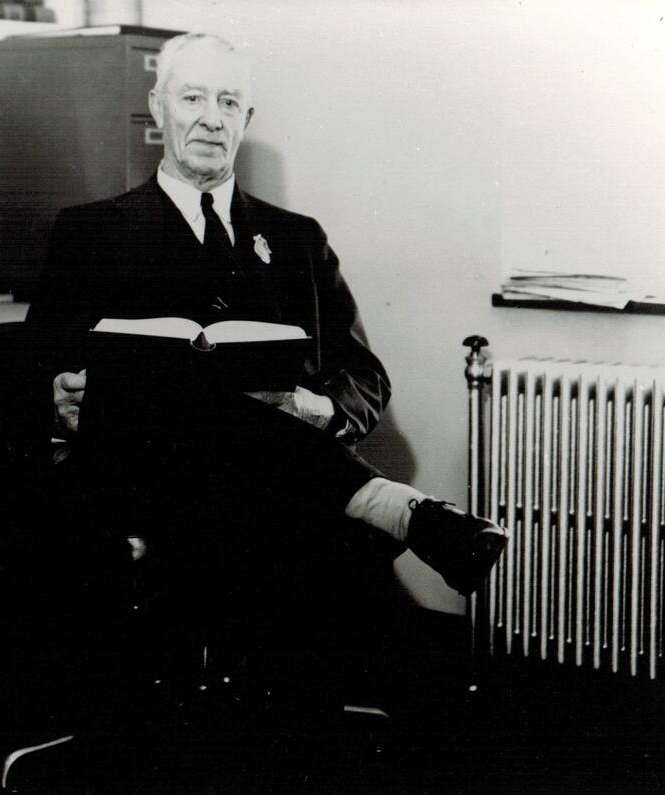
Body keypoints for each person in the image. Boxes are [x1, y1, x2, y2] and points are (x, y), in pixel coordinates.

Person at [25, 32, 506, 612]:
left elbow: (365, 376)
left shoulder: (297, 239)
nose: (211, 121)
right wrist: (55, 395)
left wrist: (318, 408)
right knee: (177, 400)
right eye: (192, 99)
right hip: (141, 478)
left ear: (246, 118)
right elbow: (32, 371)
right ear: (157, 107)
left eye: (228, 103)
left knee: (225, 427)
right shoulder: (91, 233)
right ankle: (394, 506)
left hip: (266, 493)